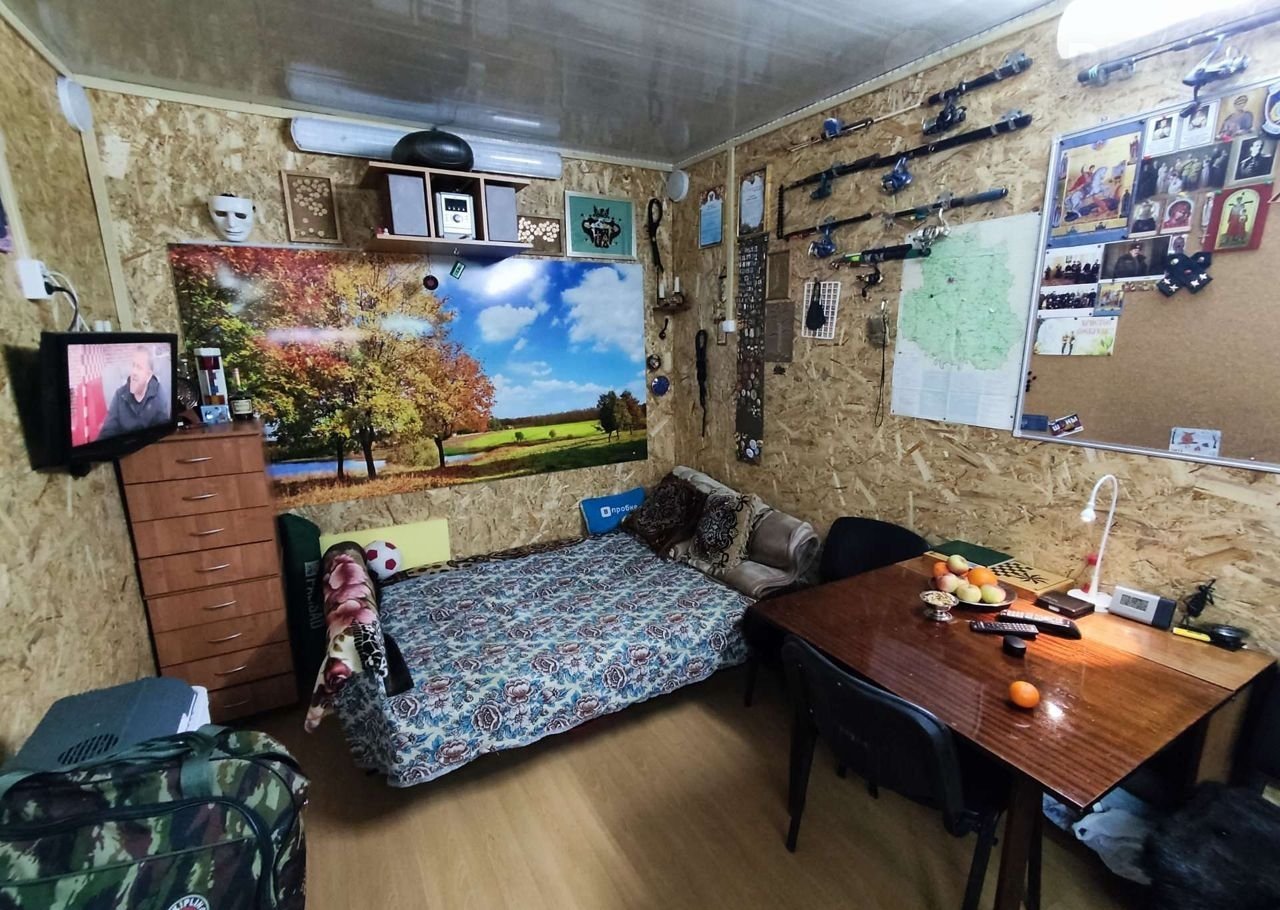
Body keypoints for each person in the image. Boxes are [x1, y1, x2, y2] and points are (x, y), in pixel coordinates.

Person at [99, 346, 167, 439]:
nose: (134, 372)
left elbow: (163, 429)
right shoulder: (119, 395)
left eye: (139, 367)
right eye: (133, 366)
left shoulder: (158, 392)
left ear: (148, 375)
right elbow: (108, 431)